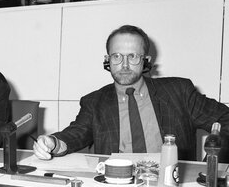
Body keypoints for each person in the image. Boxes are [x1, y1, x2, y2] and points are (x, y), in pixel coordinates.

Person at [33, 24, 229, 161]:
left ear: (146, 60)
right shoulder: (94, 101)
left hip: (170, 183)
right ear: (107, 60)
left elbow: (225, 118)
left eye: (133, 56)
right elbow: (76, 134)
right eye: (117, 56)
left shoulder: (179, 92)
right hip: (117, 184)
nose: (124, 65)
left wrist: (212, 165)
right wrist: (53, 143)